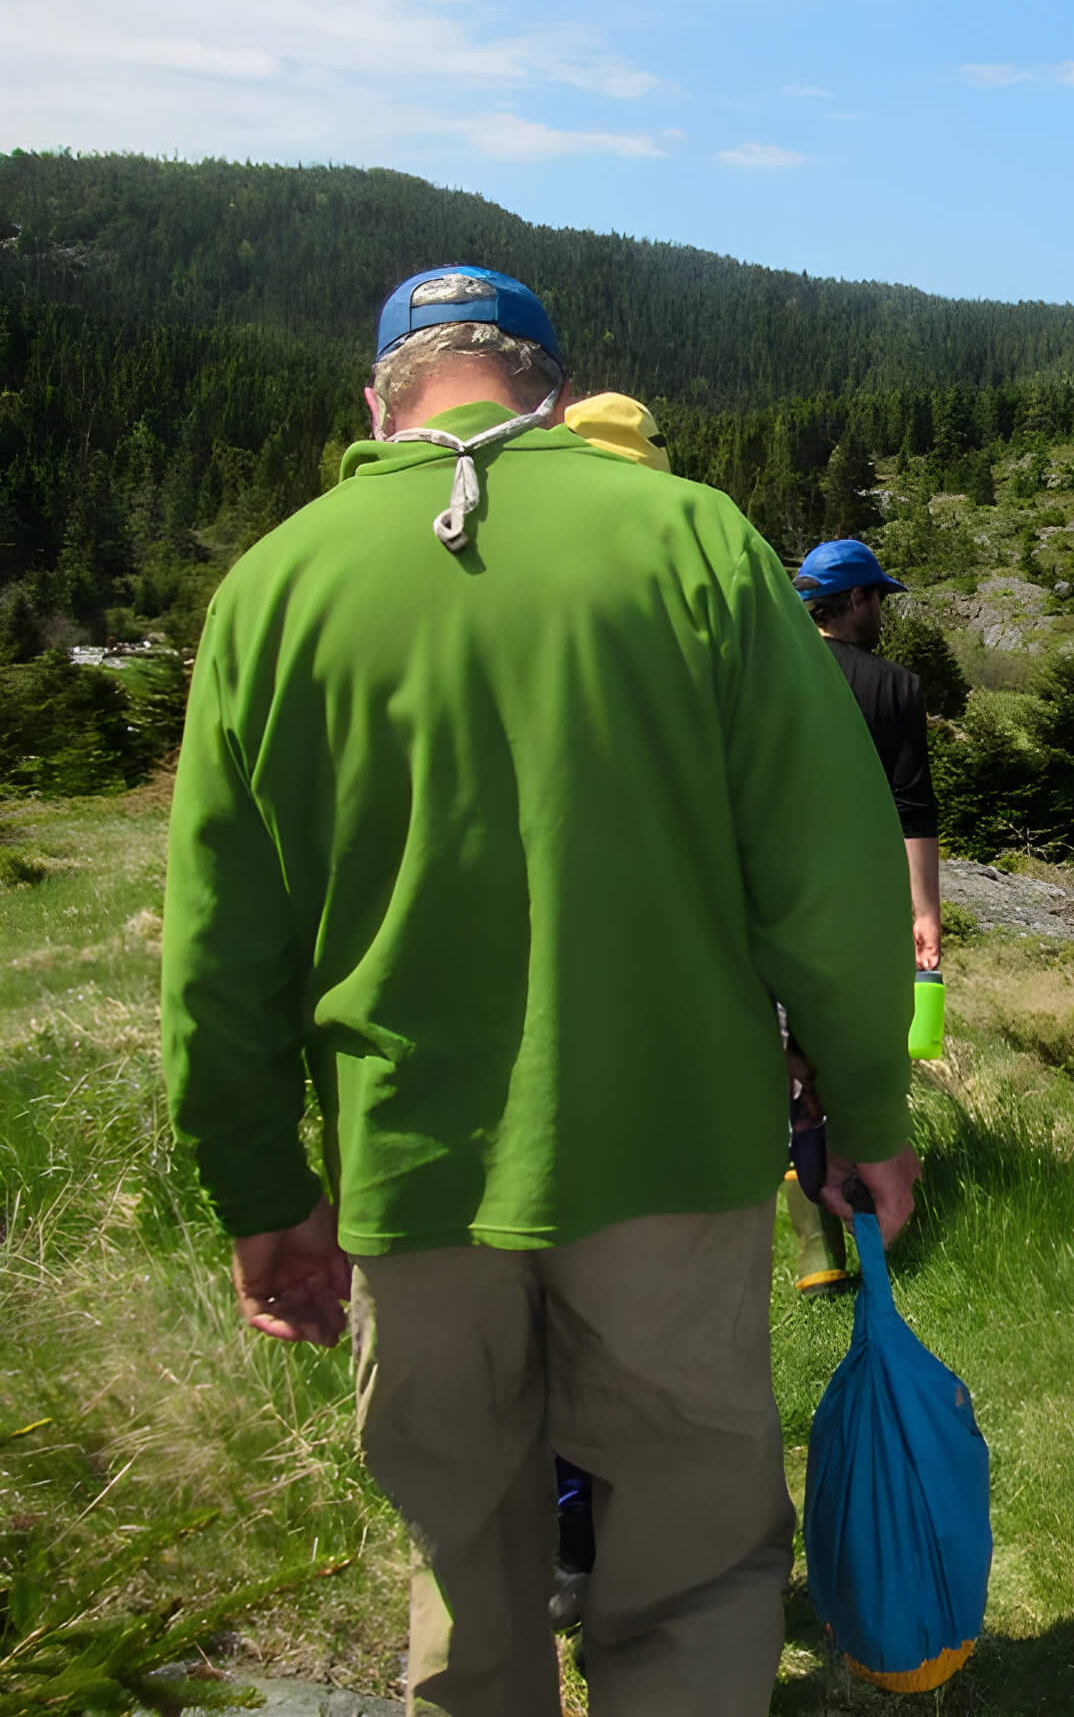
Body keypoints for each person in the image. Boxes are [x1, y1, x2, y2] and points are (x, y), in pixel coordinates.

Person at [161, 265, 919, 1717]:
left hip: (406, 1170)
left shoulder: (274, 585)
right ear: (555, 393)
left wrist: (263, 1192)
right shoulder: (694, 540)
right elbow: (826, 878)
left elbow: (219, 952)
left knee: (463, 1559)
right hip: (675, 1159)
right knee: (695, 1559)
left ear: (377, 402)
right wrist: (869, 1111)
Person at [780, 537, 942, 1296]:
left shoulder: (764, 672)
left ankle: (811, 1248)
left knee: (785, 1058)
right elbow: (914, 809)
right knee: (849, 1050)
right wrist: (925, 910)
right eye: (877, 595)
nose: (882, 608)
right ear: (852, 601)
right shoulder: (895, 688)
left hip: (772, 894)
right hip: (861, 901)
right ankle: (860, 1213)